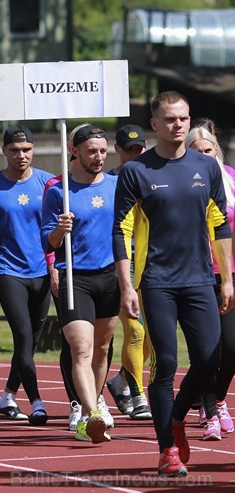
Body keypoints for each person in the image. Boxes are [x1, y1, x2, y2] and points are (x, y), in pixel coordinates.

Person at [113, 91, 232, 476]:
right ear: (155, 124)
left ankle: (178, 417)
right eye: (169, 119)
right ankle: (167, 449)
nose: (177, 125)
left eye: (182, 118)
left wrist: (227, 280)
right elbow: (121, 230)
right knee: (164, 363)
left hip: (201, 279)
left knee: (210, 359)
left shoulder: (207, 166)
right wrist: (128, 285)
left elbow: (220, 224)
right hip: (157, 281)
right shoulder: (137, 171)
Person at [42, 125, 119, 444]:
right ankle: (90, 413)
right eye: (92, 151)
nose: (99, 157)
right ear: (74, 151)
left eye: (103, 151)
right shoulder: (59, 191)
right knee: (81, 348)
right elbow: (48, 242)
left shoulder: (116, 185)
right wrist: (60, 229)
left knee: (101, 349)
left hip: (111, 276)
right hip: (75, 277)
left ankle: (94, 404)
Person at [0, 125, 53, 424]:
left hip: (43, 272)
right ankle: (37, 402)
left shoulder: (49, 183)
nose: (21, 155)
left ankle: (8, 395)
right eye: (15, 150)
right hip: (9, 271)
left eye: (27, 150)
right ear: (4, 151)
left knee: (31, 342)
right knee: (22, 337)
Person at [185, 126, 235, 441]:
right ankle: (210, 414)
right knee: (205, 350)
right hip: (195, 274)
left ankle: (216, 397)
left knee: (230, 348)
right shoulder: (181, 180)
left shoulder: (230, 177)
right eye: (197, 151)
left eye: (208, 150)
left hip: (229, 273)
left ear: (216, 151)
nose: (204, 156)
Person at [104, 124, 153, 421]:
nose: (135, 154)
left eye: (139, 148)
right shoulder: (108, 182)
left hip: (151, 261)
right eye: (129, 149)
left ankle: (121, 380)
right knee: (135, 330)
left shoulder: (153, 177)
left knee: (150, 336)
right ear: (118, 150)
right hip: (120, 261)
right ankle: (138, 395)